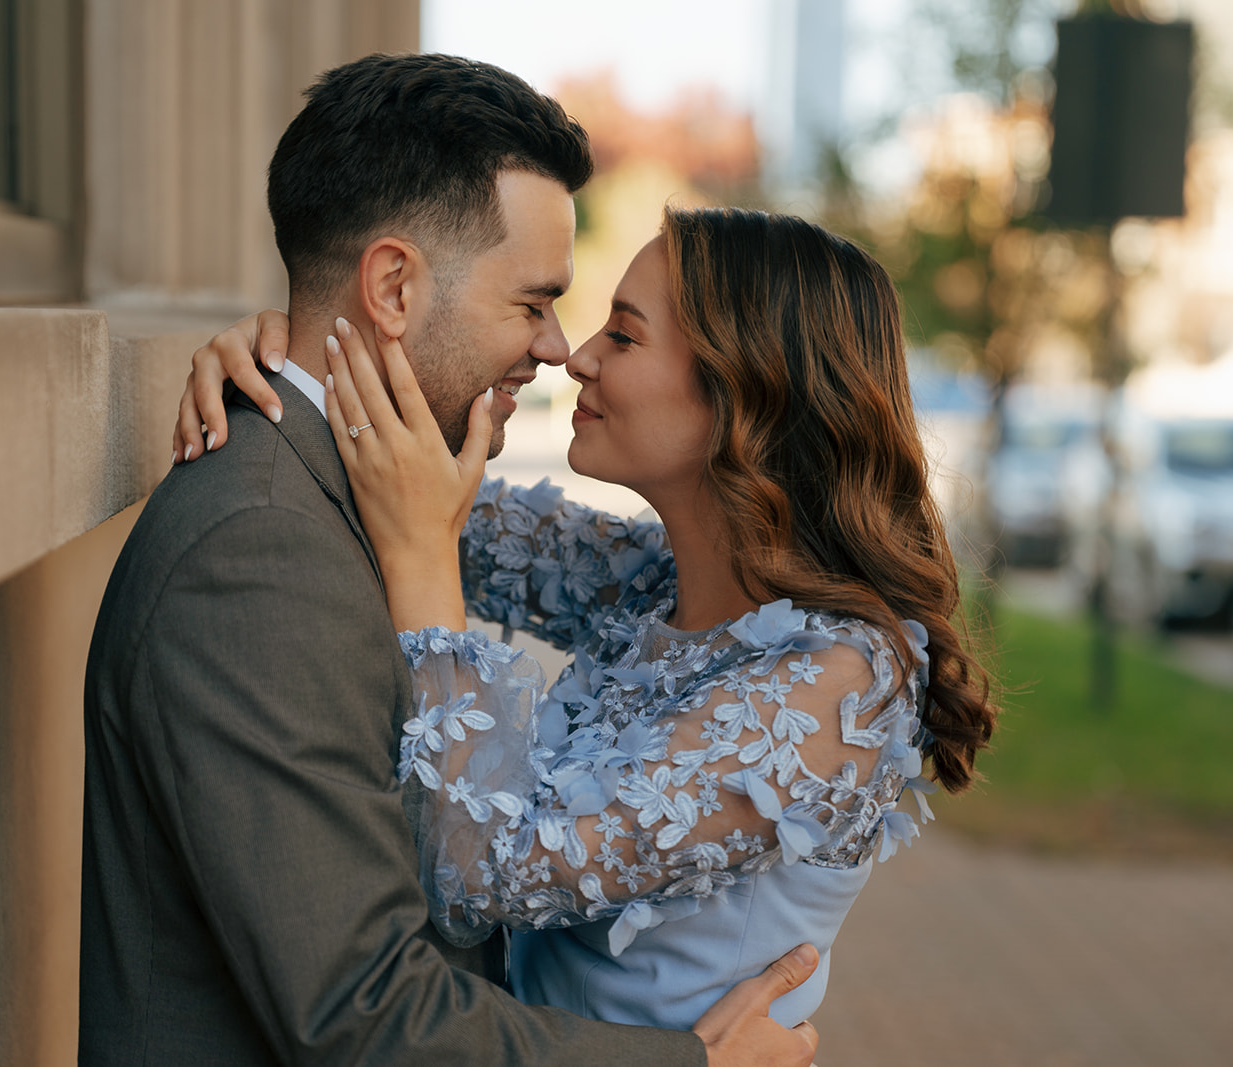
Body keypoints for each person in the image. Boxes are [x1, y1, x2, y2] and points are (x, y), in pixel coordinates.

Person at [82, 52, 820, 1066]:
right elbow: (365, 1012)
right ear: (391, 285)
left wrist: (293, 359)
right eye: (533, 302)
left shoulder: (361, 498)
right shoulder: (259, 555)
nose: (560, 349)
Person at [174, 206, 998, 1030]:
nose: (577, 357)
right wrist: (298, 359)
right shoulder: (651, 577)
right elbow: (413, 493)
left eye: (625, 337)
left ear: (745, 391)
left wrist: (425, 560)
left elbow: (482, 874)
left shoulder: (838, 686)